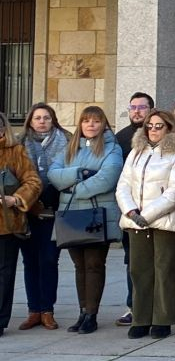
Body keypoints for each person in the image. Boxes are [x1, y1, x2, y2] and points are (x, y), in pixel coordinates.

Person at [48, 105, 124, 334]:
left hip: (97, 214)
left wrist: (72, 188)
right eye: (86, 121)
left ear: (103, 124)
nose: (91, 125)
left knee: (93, 264)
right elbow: (53, 173)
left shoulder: (112, 148)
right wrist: (79, 173)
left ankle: (92, 314)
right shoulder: (70, 147)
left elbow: (107, 178)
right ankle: (82, 311)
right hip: (71, 214)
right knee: (78, 265)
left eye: (96, 121)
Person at [116, 109, 175, 339]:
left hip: (163, 220)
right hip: (135, 221)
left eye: (159, 126)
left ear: (169, 128)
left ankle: (162, 319)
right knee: (139, 270)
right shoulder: (136, 151)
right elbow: (123, 184)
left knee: (163, 270)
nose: (153, 130)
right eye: (150, 126)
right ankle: (141, 318)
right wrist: (131, 210)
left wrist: (148, 214)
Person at [16, 103, 70, 331]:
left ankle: (47, 310)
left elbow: (67, 174)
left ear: (53, 120)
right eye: (37, 117)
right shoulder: (19, 143)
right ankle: (34, 311)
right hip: (25, 210)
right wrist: (29, 201)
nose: (42, 121)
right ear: (30, 120)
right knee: (30, 262)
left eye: (46, 117)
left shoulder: (66, 141)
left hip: (53, 209)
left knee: (49, 260)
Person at [113, 91, 154, 326]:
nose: (137, 111)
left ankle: (156, 306)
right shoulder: (120, 139)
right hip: (131, 213)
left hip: (158, 212)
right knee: (133, 262)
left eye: (142, 107)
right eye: (133, 107)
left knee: (158, 261)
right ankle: (134, 306)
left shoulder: (161, 136)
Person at [0, 112, 41, 338]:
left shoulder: (16, 151)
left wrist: (15, 199)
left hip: (6, 224)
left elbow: (33, 181)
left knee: (4, 275)